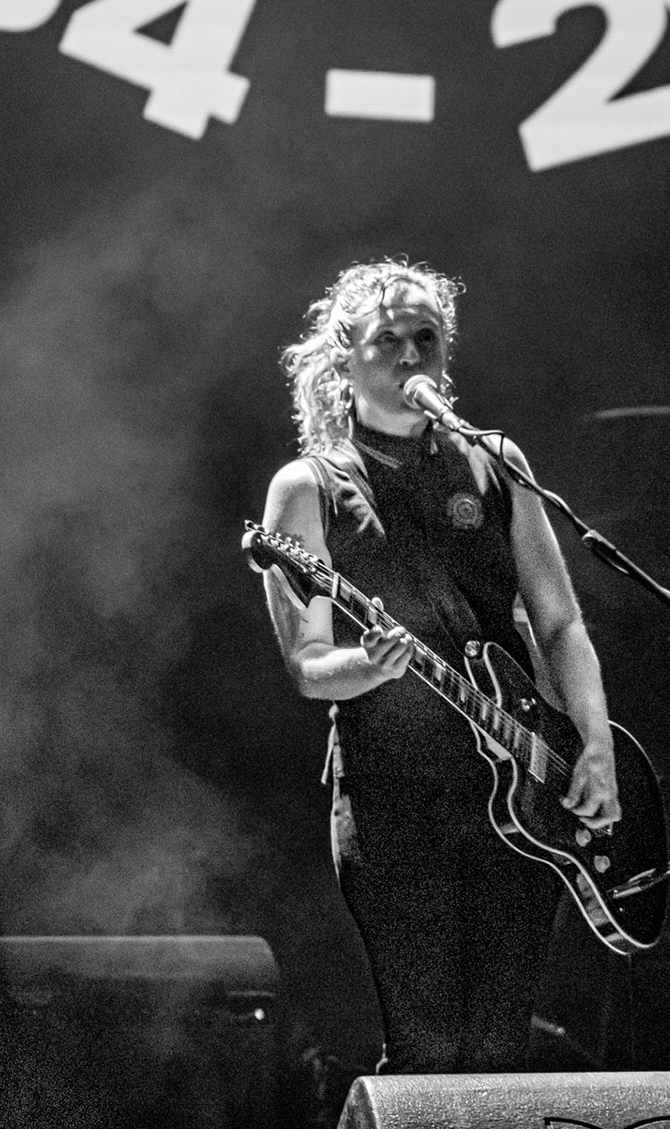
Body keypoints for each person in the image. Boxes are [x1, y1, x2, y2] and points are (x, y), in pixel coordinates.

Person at [257, 258, 621, 1075]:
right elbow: (310, 664)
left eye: (427, 338)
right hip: (394, 794)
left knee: (498, 1044)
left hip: (521, 794)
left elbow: (560, 623)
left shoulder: (495, 462)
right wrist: (371, 665)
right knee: (427, 1046)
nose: (411, 354)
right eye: (388, 339)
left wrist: (594, 743)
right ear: (345, 357)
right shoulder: (307, 488)